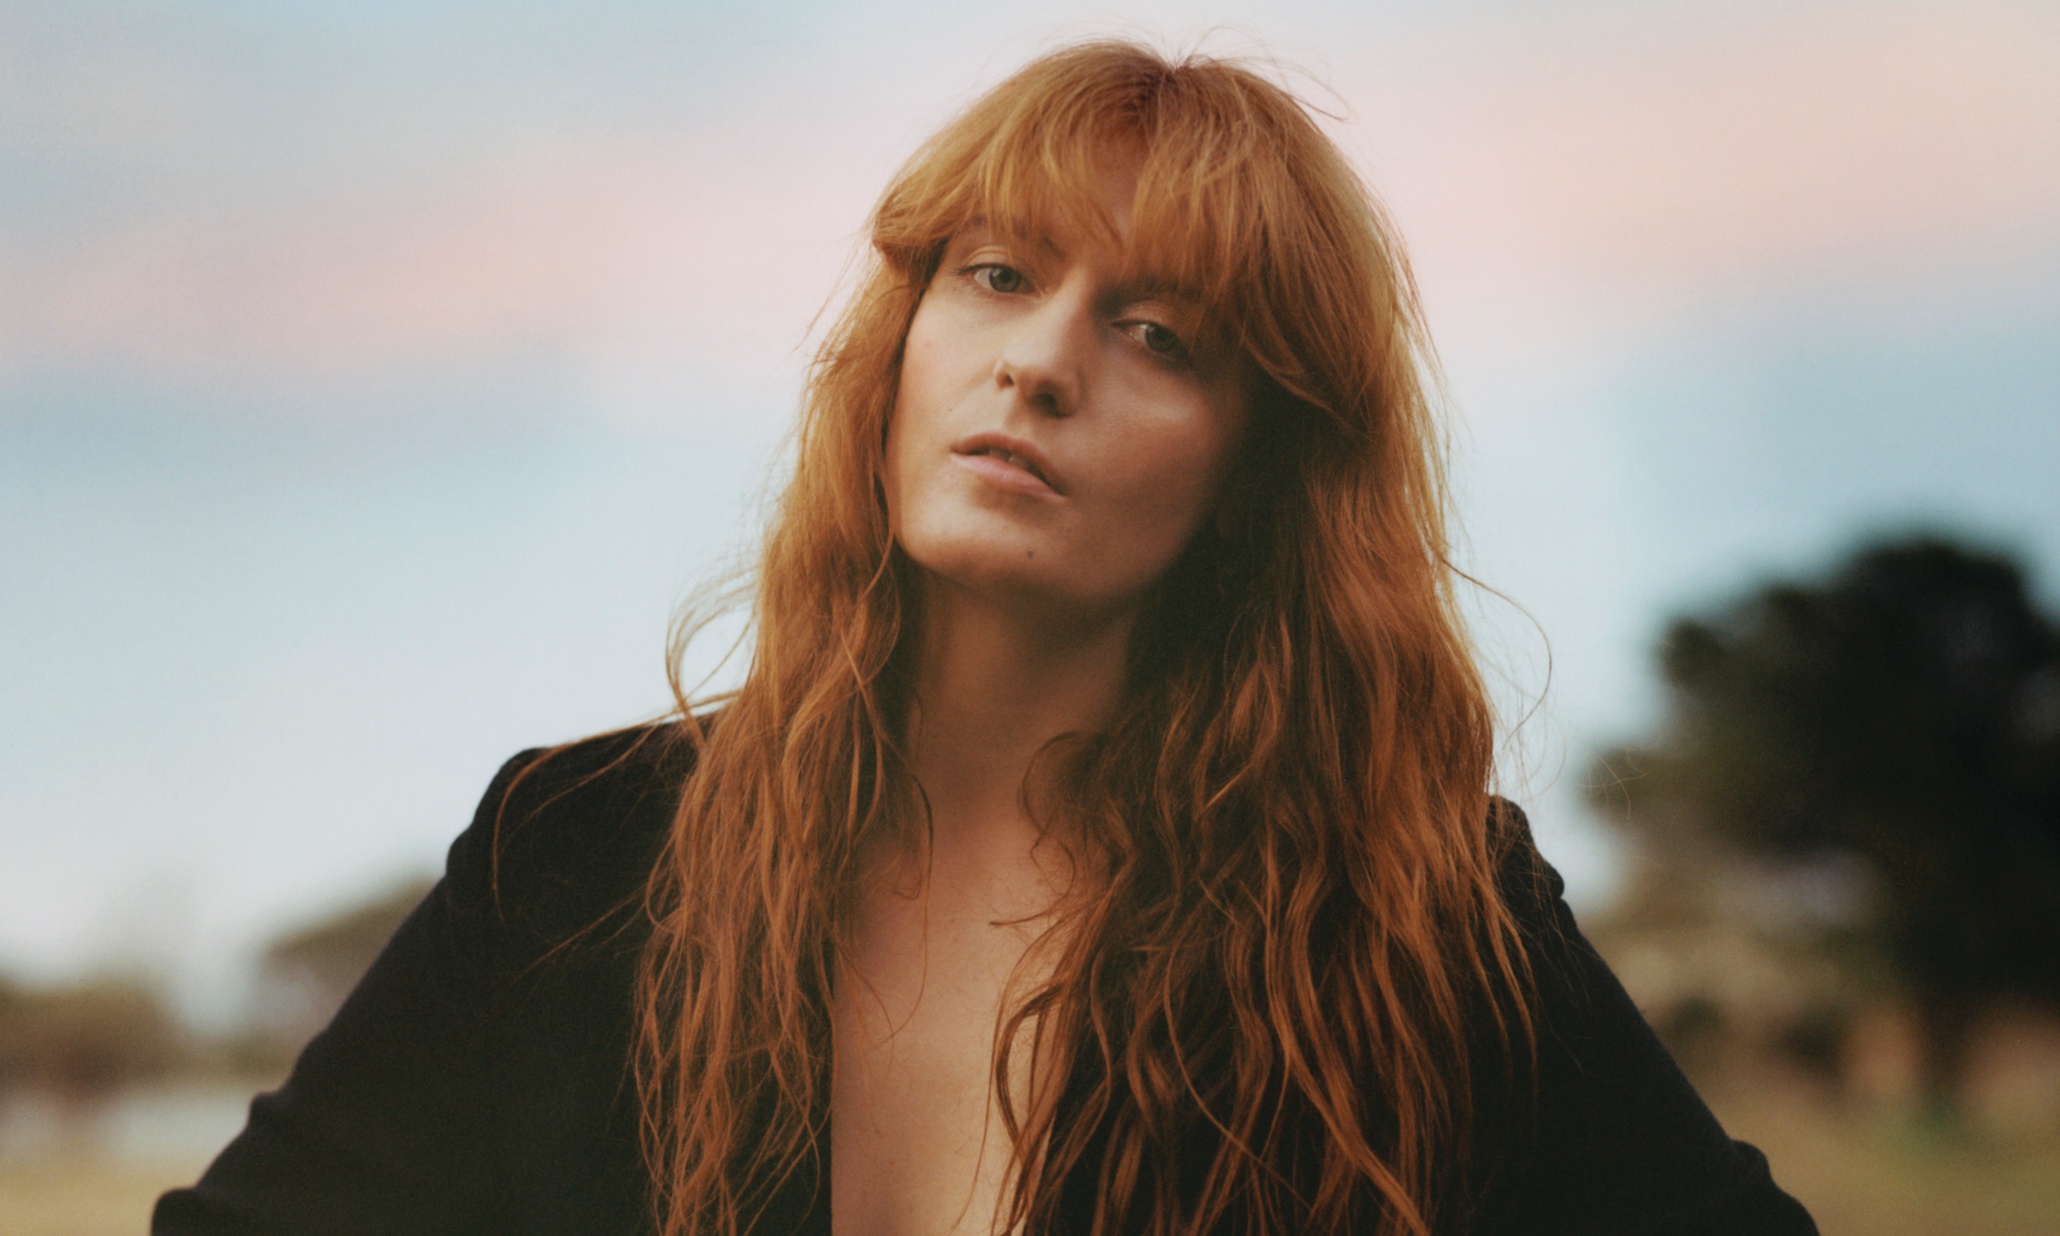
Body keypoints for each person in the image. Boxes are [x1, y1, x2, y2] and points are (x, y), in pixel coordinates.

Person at [154, 40, 1817, 1236]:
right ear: (901, 345)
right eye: (999, 275)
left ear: (1259, 474)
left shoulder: (1411, 920)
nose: (1041, 362)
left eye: (1158, 334)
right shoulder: (572, 858)